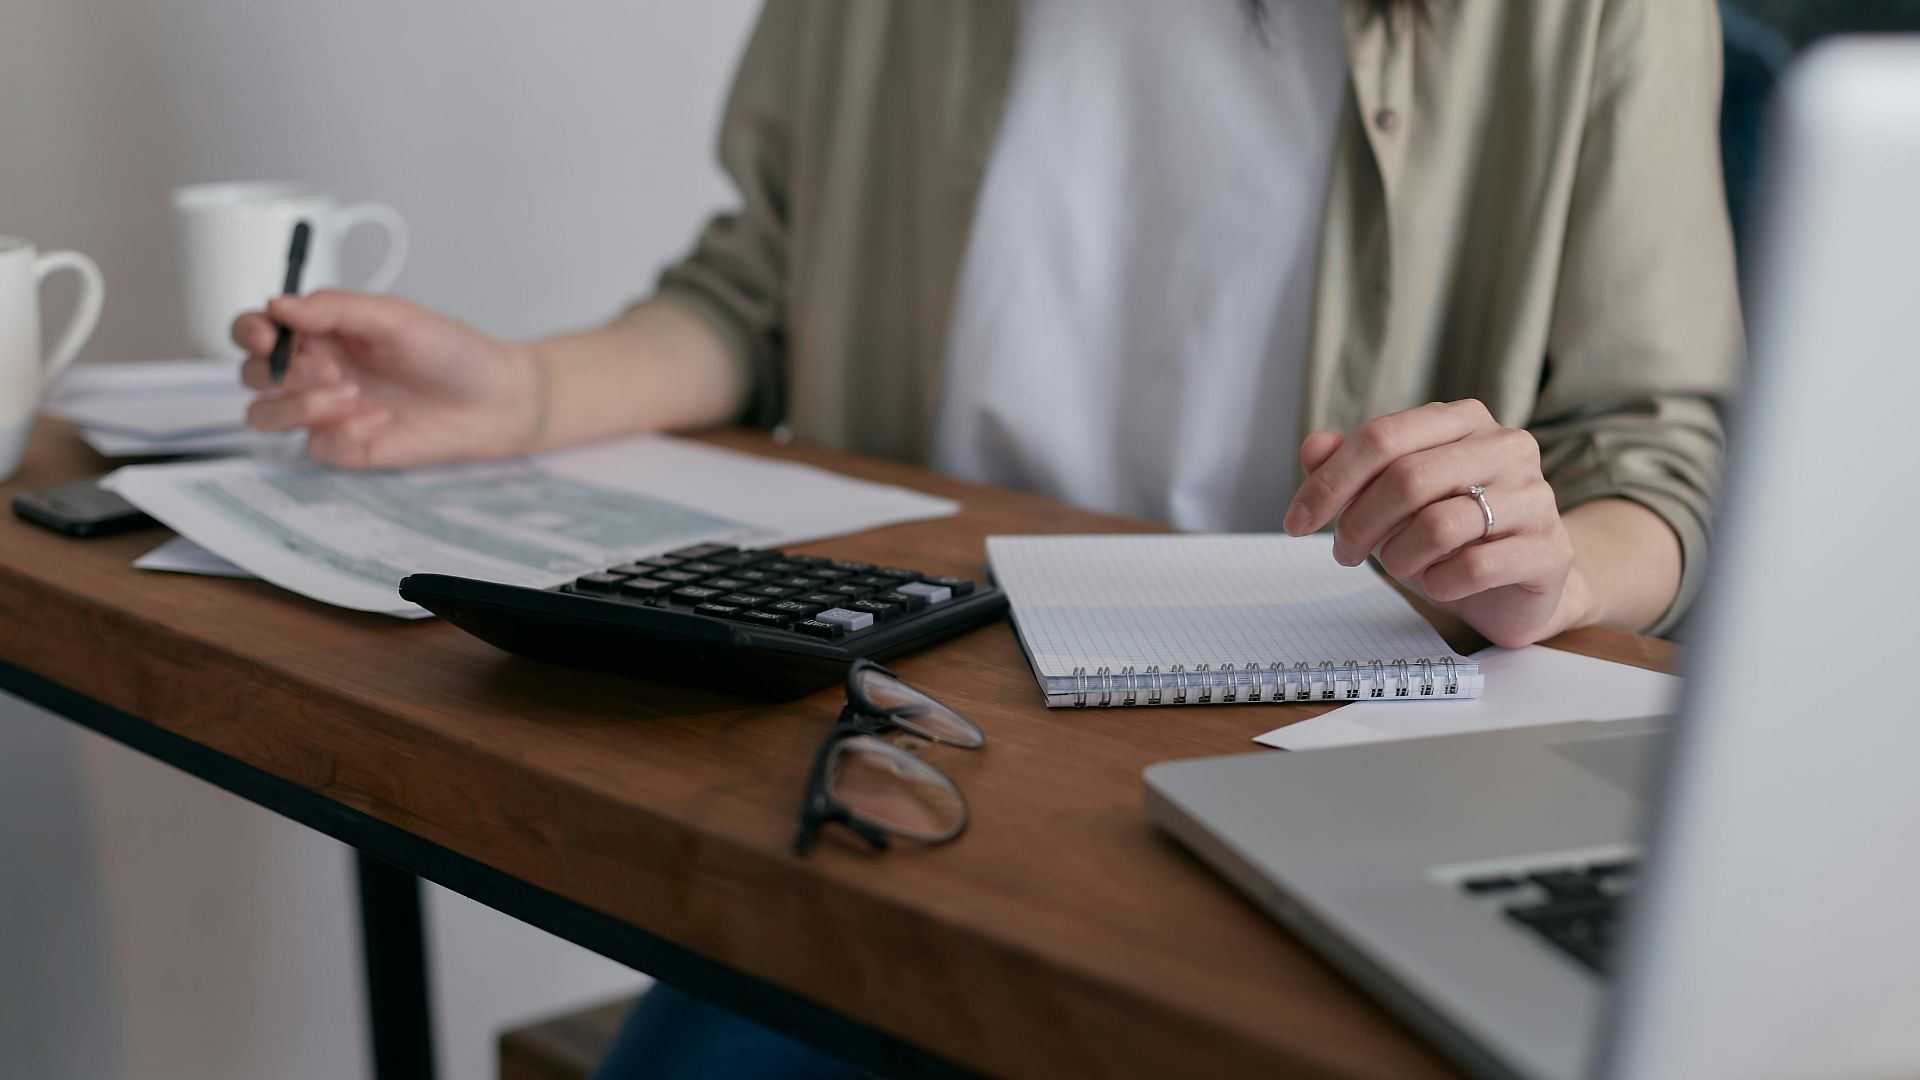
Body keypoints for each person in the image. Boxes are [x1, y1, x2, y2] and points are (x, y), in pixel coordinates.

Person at [233, 0, 1740, 1073]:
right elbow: (759, 289)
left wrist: (1555, 564)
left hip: (1330, 755)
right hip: (912, 729)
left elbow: (1658, 453)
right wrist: (525, 389)